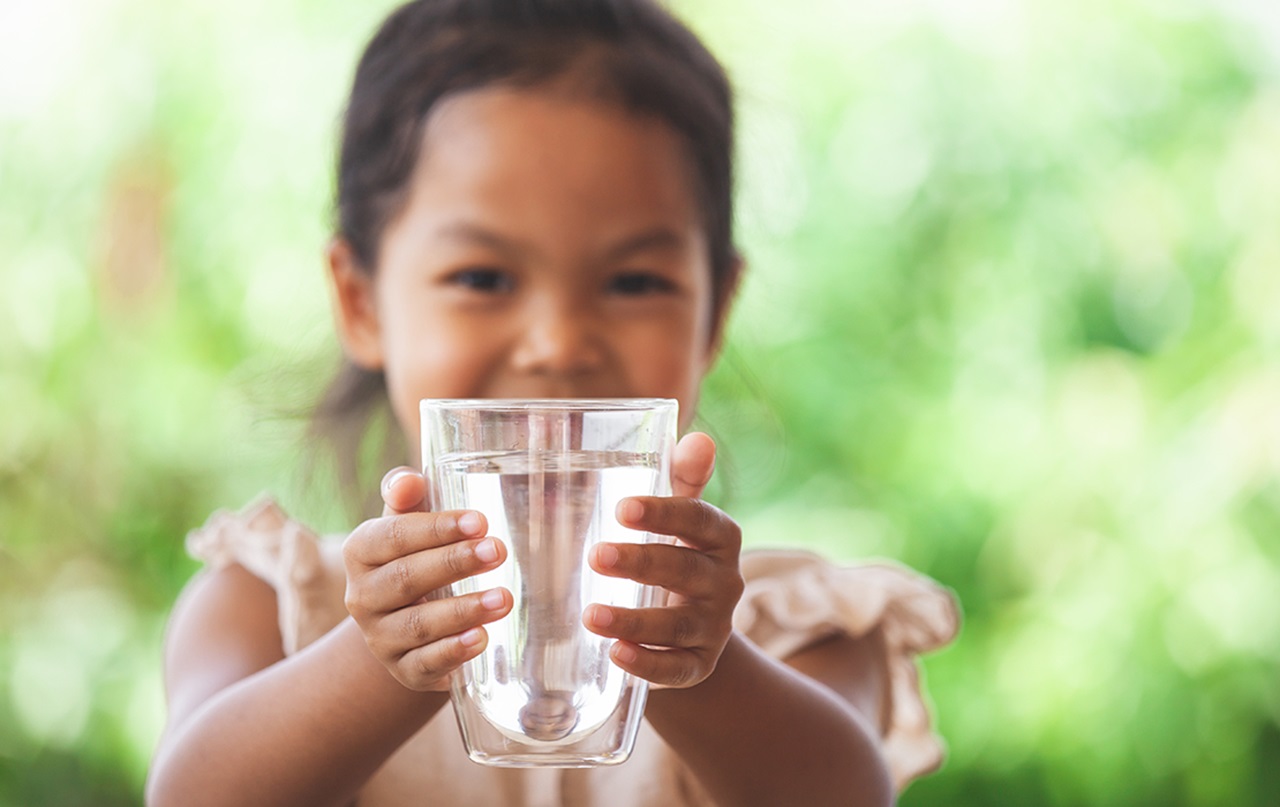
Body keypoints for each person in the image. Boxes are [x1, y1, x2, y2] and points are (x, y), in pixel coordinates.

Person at [146, 1, 959, 805]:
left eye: (634, 281)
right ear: (361, 302)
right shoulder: (267, 611)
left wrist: (697, 669)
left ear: (715, 313)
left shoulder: (796, 631)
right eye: (483, 278)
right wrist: (376, 660)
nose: (561, 341)